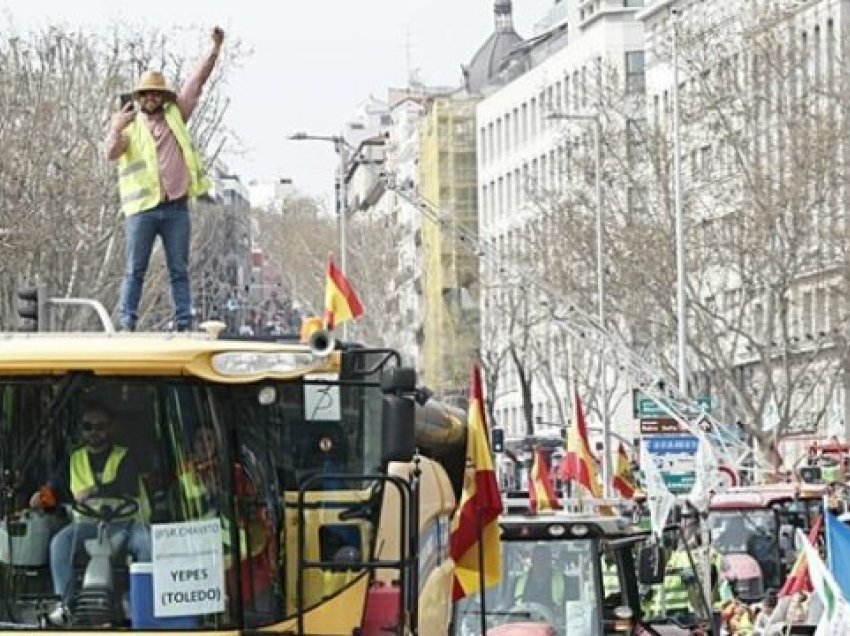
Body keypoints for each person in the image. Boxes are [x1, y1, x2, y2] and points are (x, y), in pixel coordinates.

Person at [106, 27, 225, 332]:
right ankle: (127, 322)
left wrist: (214, 49)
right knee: (135, 269)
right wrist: (116, 127)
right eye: (146, 94)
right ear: (139, 97)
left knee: (178, 269)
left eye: (156, 93)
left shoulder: (175, 115)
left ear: (163, 97)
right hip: (142, 210)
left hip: (175, 208)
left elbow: (195, 83)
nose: (151, 98)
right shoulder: (129, 125)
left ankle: (184, 321)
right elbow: (111, 153)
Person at [30, 403, 151, 622]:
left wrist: (94, 490)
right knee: (59, 543)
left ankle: (135, 602)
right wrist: (41, 498)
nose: (94, 431)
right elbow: (55, 490)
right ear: (81, 429)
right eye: (88, 426)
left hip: (126, 524)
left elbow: (127, 484)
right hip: (85, 527)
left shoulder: (125, 456)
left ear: (110, 428)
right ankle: (65, 605)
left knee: (147, 543)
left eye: (100, 426)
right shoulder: (73, 459)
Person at [513, 544, 566, 609]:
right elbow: (507, 606)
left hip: (553, 618)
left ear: (550, 561)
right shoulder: (517, 582)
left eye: (544, 559)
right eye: (537, 559)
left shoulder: (565, 581)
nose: (540, 563)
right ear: (532, 561)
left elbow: (571, 608)